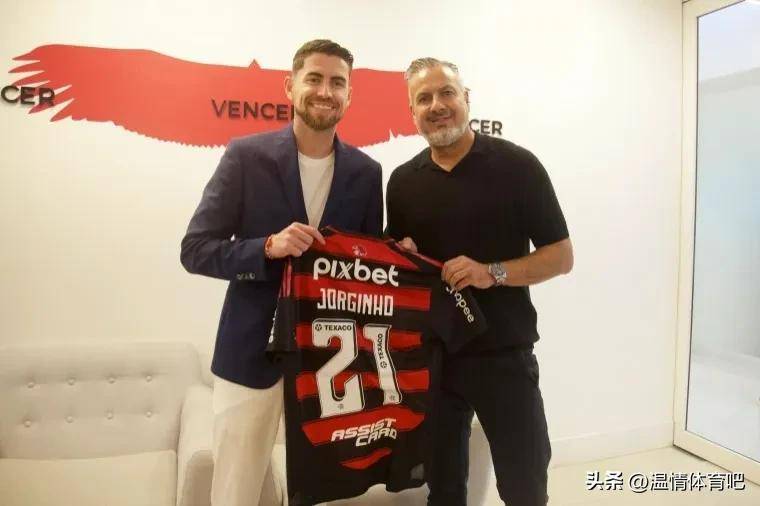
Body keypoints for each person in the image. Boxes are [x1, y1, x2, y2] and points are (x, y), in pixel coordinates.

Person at [180, 39, 383, 506]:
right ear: (290, 86)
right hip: (249, 353)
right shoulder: (245, 157)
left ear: (349, 96)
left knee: (320, 492)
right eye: (314, 79)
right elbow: (195, 250)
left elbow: (364, 268)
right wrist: (266, 248)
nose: (325, 91)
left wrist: (393, 254)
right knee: (234, 493)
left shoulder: (367, 173)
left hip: (330, 362)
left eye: (337, 83)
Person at [385, 58, 573, 506]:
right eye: (423, 98)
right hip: (433, 358)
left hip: (503, 356)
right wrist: (401, 256)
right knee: (444, 491)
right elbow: (399, 266)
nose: (436, 105)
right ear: (412, 112)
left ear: (466, 99)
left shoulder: (518, 166)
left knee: (525, 489)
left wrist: (492, 273)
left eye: (446, 93)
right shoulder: (403, 183)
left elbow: (561, 257)